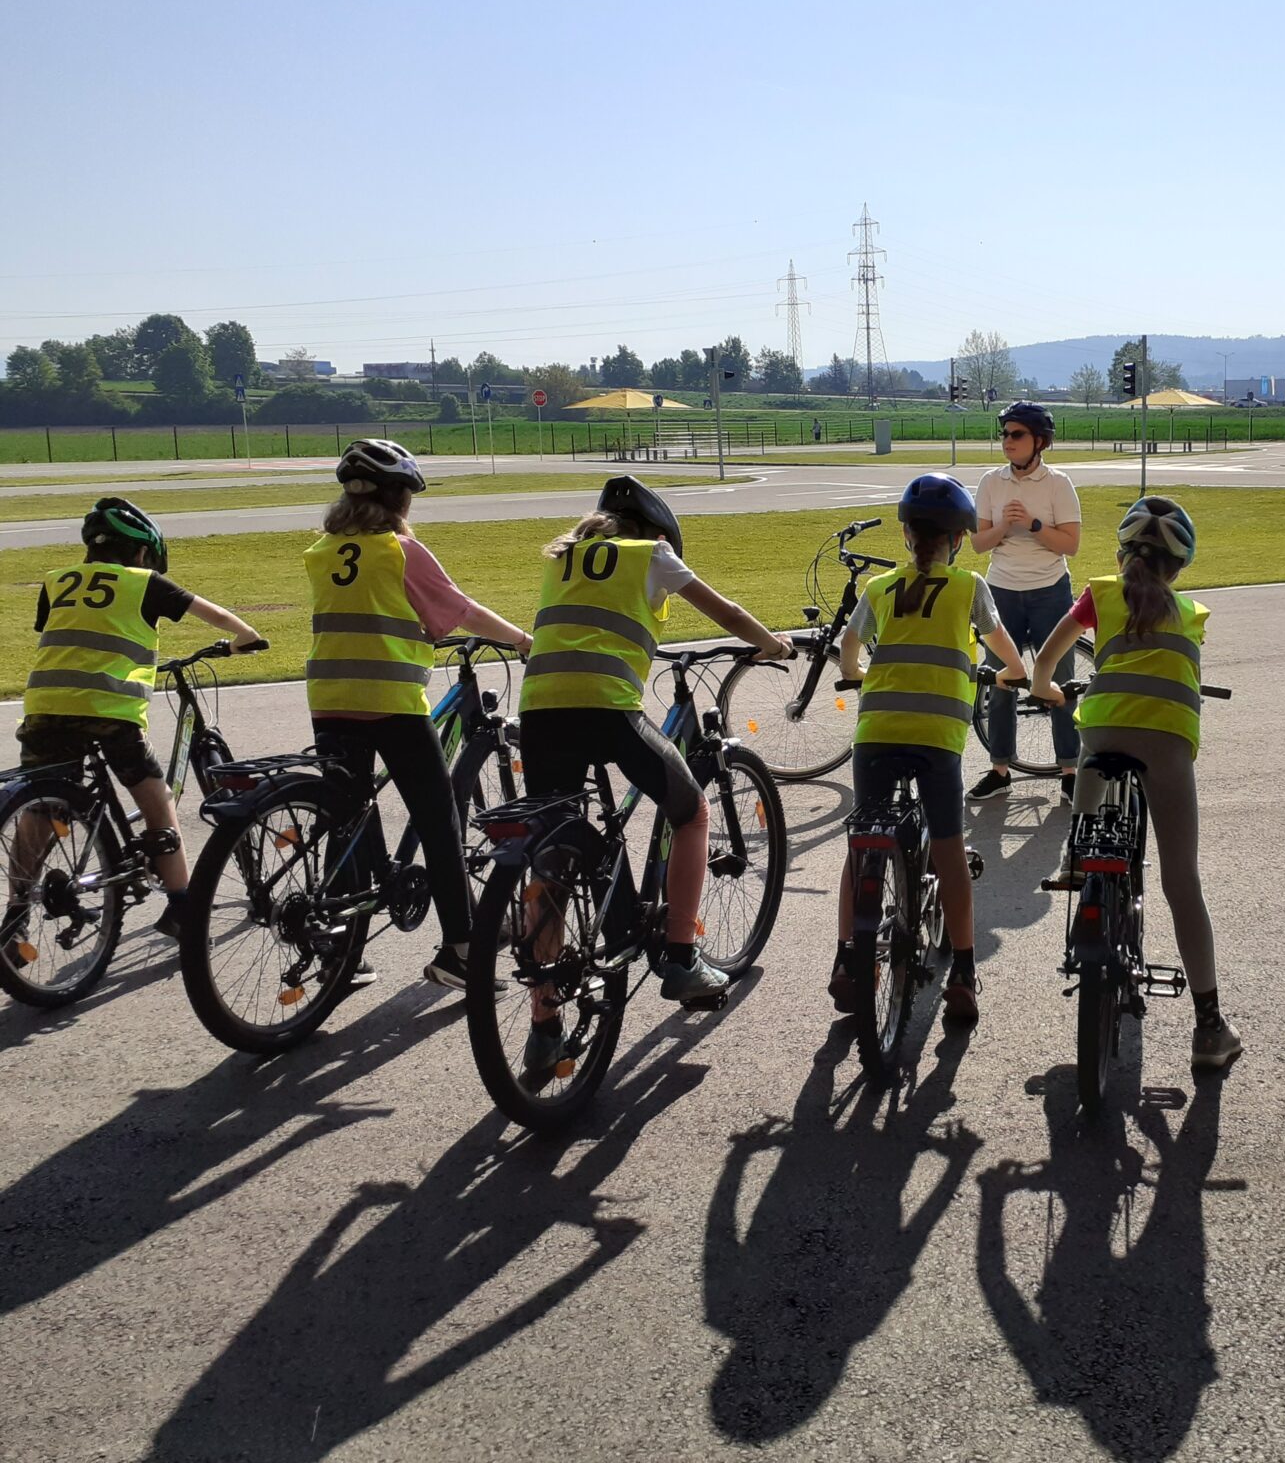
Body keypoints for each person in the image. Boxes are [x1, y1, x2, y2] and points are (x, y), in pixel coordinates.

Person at [516, 476, 792, 1073]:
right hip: (606, 707)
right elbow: (728, 611)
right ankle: (682, 954)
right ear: (658, 530)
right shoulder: (653, 554)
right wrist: (773, 645)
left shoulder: (563, 557)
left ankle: (544, 1022)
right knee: (692, 812)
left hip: (539, 711)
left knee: (553, 856)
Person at [305, 439, 531, 992]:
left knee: (348, 815)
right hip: (390, 703)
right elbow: (460, 611)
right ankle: (459, 949)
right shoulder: (401, 551)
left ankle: (341, 948)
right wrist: (523, 639)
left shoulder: (320, 552)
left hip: (329, 699)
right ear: (399, 498)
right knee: (438, 819)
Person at [1031, 496, 1242, 1070]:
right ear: (1179, 568)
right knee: (1182, 880)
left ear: (1121, 554)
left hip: (1104, 729)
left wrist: (1044, 687)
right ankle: (1209, 1025)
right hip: (1168, 741)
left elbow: (1048, 659)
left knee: (1092, 743)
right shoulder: (1193, 612)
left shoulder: (1098, 593)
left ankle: (1079, 852)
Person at [8, 498, 263, 950]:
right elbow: (216, 616)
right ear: (142, 554)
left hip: (46, 706)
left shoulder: (56, 580)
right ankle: (183, 907)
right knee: (157, 801)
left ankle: (16, 915)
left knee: (40, 813)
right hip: (109, 710)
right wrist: (247, 640)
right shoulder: (145, 582)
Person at [838, 474, 1028, 1025]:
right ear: (959, 540)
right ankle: (964, 972)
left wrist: (856, 675)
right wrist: (1015, 675)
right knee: (948, 850)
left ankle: (848, 962)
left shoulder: (877, 590)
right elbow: (1001, 647)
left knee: (860, 844)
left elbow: (851, 647)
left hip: (877, 735)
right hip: (937, 741)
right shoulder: (970, 587)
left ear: (905, 535)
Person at [969, 400, 1083, 803]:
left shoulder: (1058, 483)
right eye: (1004, 434)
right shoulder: (990, 482)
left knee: (1058, 680)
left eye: (1016, 434)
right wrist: (1004, 524)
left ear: (1040, 441)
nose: (1007, 442)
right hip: (1000, 590)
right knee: (1001, 681)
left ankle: (1070, 769)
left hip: (1050, 590)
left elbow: (1071, 544)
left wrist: (1034, 526)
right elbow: (978, 545)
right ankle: (1000, 768)